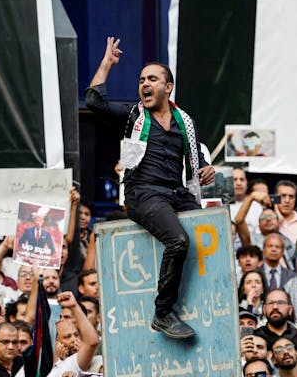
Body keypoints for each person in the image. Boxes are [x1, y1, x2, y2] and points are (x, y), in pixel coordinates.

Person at [85, 36, 215, 339]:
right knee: (179, 241)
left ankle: (211, 303)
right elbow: (93, 101)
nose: (145, 84)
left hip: (177, 193)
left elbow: (198, 158)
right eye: (142, 79)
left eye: (152, 79)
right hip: (143, 192)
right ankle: (162, 313)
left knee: (214, 230)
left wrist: (207, 168)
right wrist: (107, 63)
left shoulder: (186, 121)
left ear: (167, 88)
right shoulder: (134, 115)